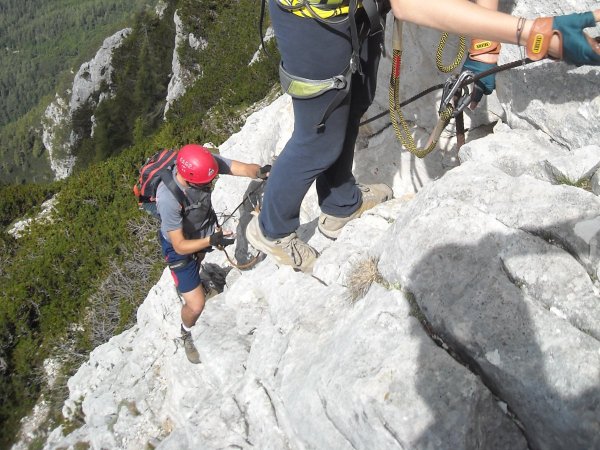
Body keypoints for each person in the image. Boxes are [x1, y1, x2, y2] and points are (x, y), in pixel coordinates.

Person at [246, 0, 600, 273]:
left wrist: (484, 49)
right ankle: (272, 230)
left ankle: (340, 204)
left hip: (358, 10)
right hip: (311, 20)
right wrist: (533, 32)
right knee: (317, 138)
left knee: (357, 102)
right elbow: (409, 4)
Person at [157, 144, 270, 363]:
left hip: (204, 228)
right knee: (196, 304)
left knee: (199, 259)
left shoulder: (203, 165)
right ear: (188, 178)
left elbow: (240, 168)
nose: (209, 185)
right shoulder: (168, 198)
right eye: (205, 183)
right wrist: (211, 240)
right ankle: (185, 331)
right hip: (178, 245)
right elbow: (179, 245)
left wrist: (261, 172)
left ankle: (198, 277)